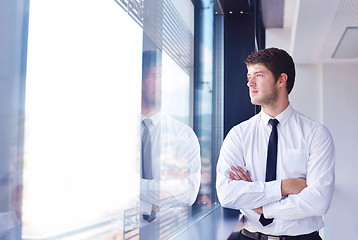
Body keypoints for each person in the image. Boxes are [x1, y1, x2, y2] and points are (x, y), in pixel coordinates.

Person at [216, 48, 335, 240]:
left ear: (281, 80)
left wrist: (260, 206)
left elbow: (318, 201)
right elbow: (227, 194)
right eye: (249, 76)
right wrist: (285, 186)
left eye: (259, 75)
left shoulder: (316, 134)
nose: (250, 83)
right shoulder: (238, 135)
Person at [138, 50, 201, 235]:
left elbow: (188, 194)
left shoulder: (183, 135)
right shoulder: (117, 132)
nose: (163, 85)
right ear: (139, 80)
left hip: (169, 232)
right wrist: (159, 194)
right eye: (156, 76)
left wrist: (133, 187)